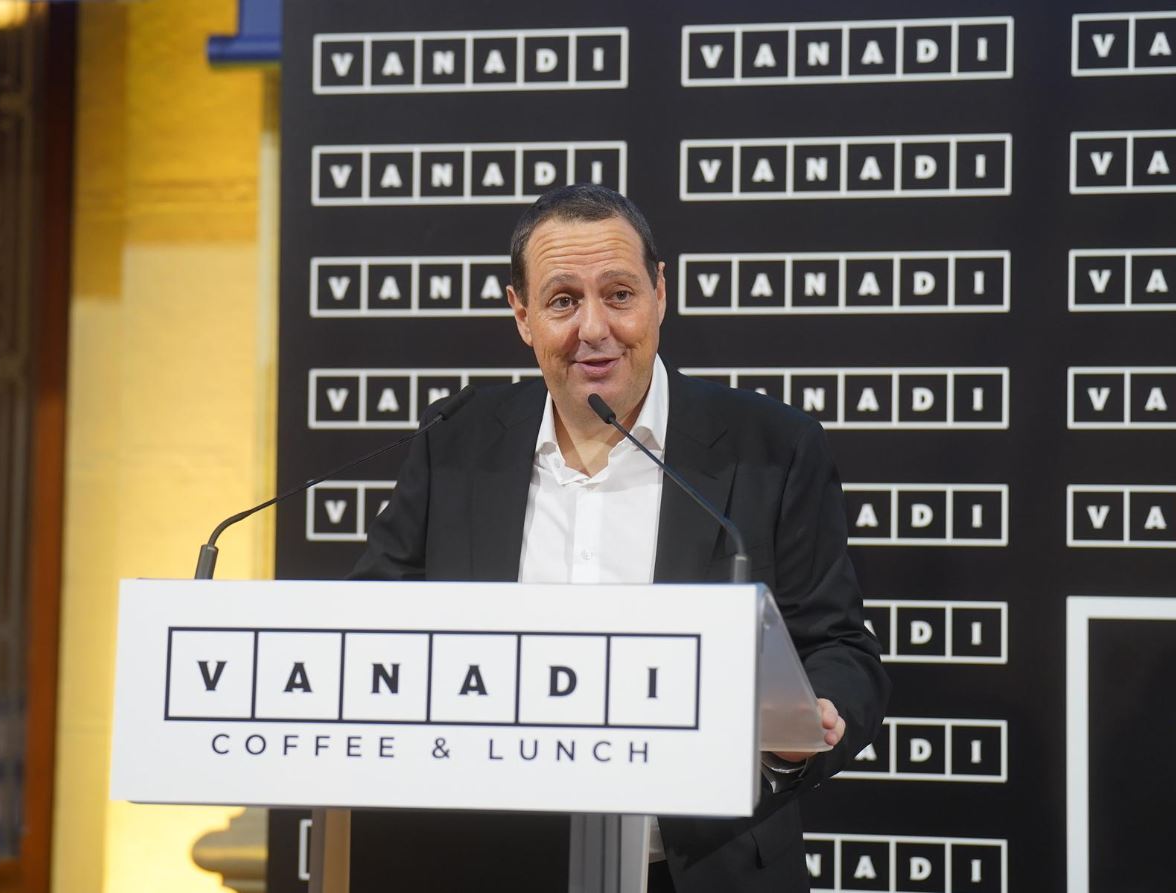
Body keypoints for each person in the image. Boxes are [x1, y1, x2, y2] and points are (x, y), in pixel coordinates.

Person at [353, 183, 890, 892]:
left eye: (619, 294)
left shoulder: (771, 447)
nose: (595, 328)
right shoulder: (455, 442)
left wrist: (802, 729)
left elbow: (839, 648)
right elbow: (372, 627)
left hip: (694, 871)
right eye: (563, 301)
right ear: (522, 314)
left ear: (660, 294)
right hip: (486, 862)